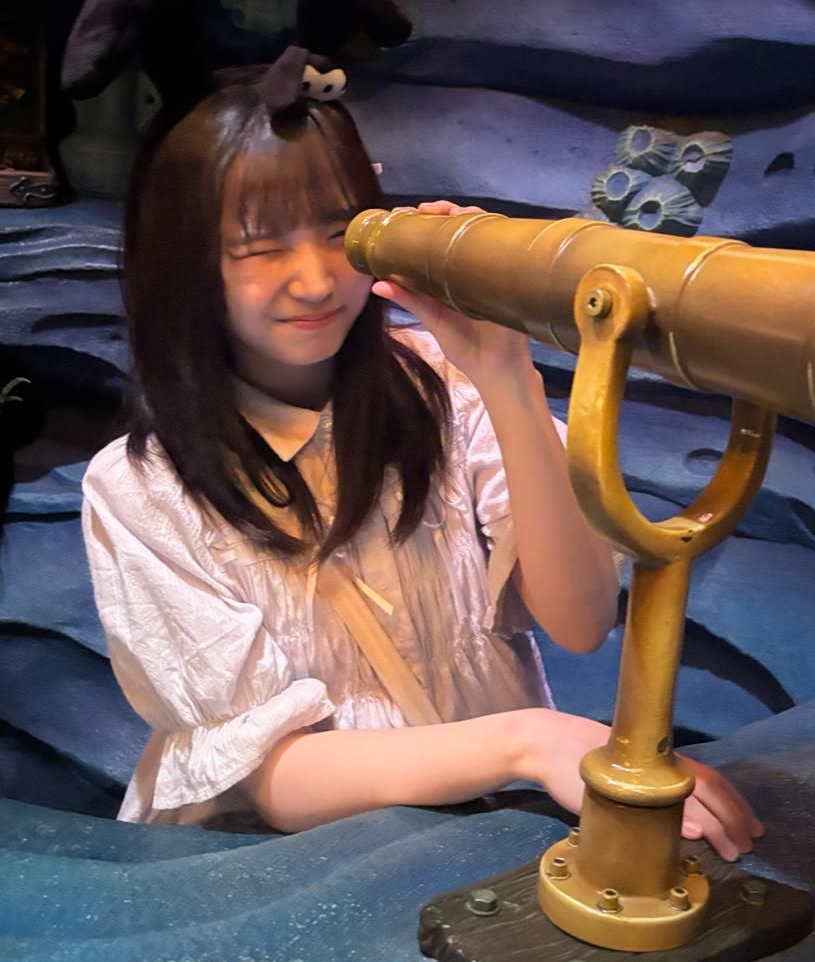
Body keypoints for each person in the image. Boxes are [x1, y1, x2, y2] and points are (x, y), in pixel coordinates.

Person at [81, 77, 762, 858]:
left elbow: (579, 619)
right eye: (261, 248)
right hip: (273, 866)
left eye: (338, 233)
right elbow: (269, 776)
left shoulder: (446, 387)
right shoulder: (139, 488)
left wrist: (506, 375)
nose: (315, 279)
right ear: (190, 264)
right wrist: (525, 742)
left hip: (476, 833)